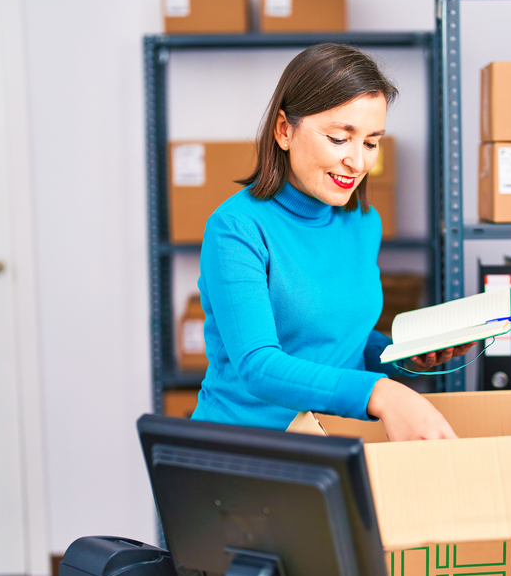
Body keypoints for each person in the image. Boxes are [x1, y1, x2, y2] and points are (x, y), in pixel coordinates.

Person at [191, 43, 474, 441]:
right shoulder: (236, 228)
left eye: (371, 142)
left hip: (332, 441)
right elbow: (257, 365)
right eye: (340, 138)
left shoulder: (363, 223)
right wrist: (382, 395)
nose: (357, 162)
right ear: (284, 130)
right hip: (248, 451)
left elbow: (340, 344)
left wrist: (403, 356)